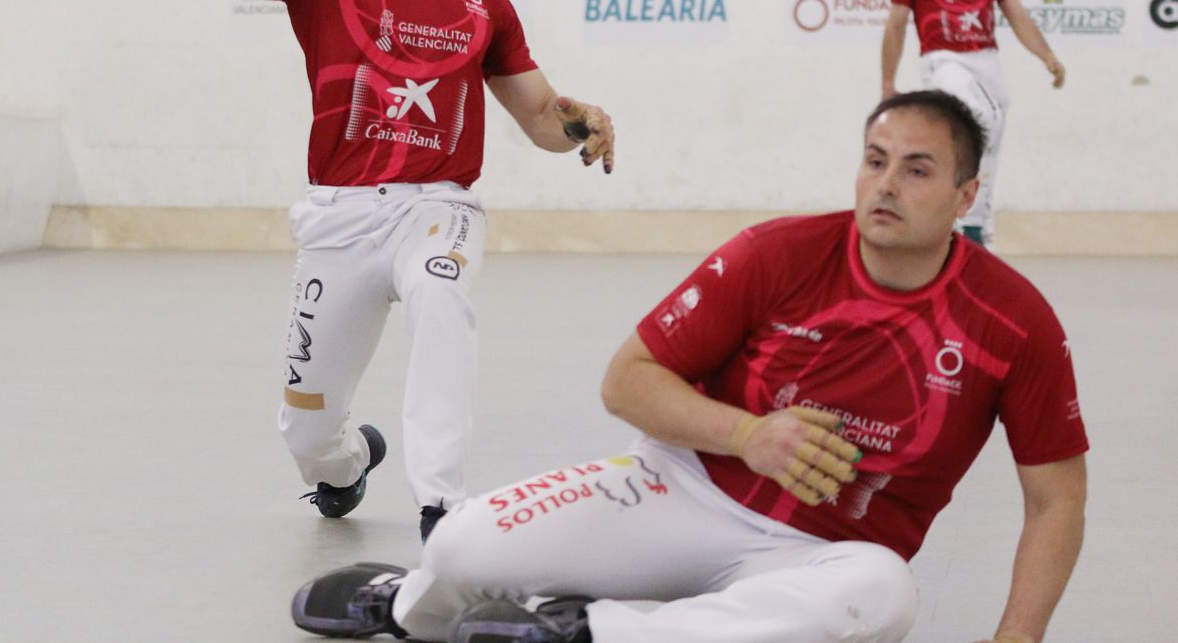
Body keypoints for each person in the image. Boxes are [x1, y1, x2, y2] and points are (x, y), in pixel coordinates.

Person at [293, 91, 1087, 643]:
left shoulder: (1015, 322)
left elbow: (1055, 500)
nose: (886, 185)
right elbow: (627, 381)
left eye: (916, 169)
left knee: (883, 597)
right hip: (681, 486)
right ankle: (407, 607)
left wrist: (1017, 637)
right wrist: (748, 435)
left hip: (824, 554)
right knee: (460, 547)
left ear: (966, 194)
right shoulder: (779, 253)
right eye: (875, 161)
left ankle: (585, 631)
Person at [73, 0, 616, 541]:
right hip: (339, 218)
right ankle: (348, 461)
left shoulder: (483, 1)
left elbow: (544, 116)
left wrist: (581, 122)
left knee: (441, 291)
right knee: (306, 435)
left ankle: (443, 509)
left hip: (436, 208)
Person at [880, 0, 1065, 246]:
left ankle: (977, 225)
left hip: (987, 61)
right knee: (980, 115)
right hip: (942, 59)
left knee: (992, 135)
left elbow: (1016, 15)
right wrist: (888, 83)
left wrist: (1046, 56)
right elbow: (896, 23)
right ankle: (957, 218)